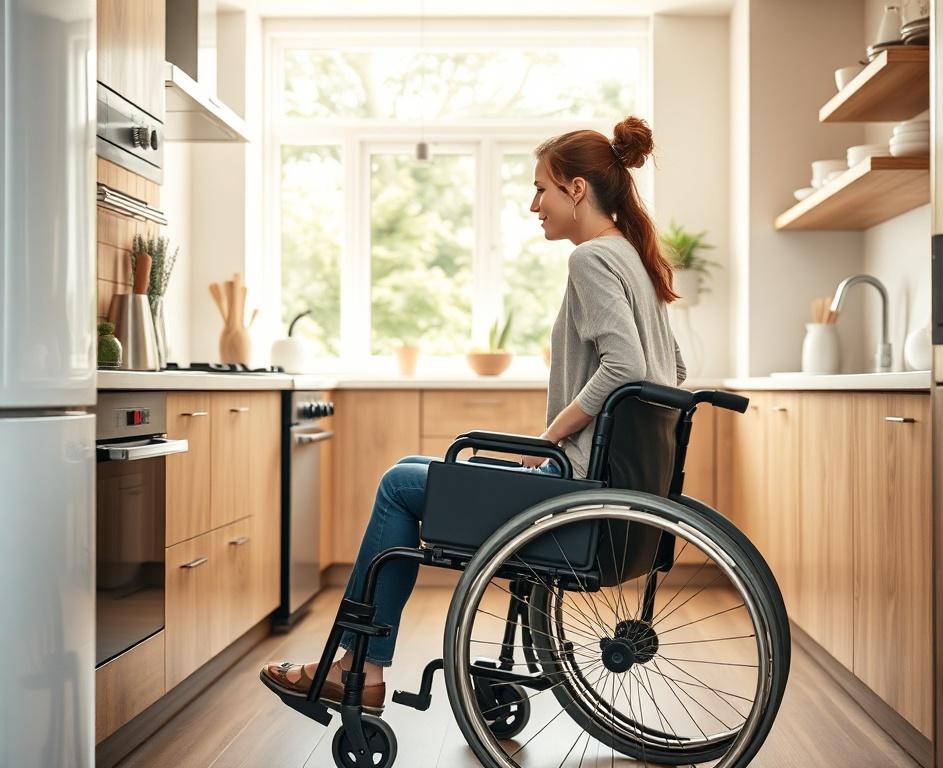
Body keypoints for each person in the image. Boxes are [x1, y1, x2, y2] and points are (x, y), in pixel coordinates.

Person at [260, 115, 687, 711]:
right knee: (410, 470)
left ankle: (360, 667)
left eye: (541, 189)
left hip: (575, 494)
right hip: (611, 491)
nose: (533, 205)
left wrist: (550, 439)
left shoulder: (591, 260)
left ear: (576, 190)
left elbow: (626, 368)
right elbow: (674, 373)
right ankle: (360, 663)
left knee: (398, 486)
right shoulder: (634, 260)